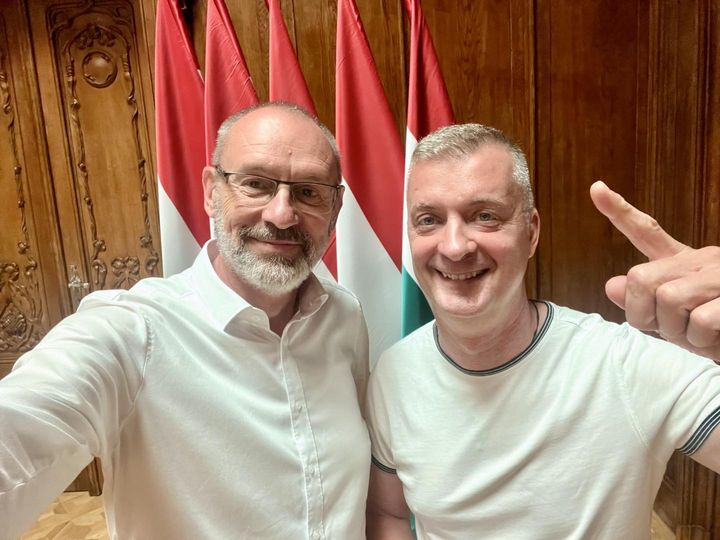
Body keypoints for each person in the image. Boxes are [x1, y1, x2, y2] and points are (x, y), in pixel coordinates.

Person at [0, 103, 370, 539]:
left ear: (336, 207)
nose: (281, 214)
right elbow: (20, 428)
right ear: (212, 191)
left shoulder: (343, 316)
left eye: (308, 192)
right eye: (256, 184)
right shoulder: (133, 333)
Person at [365, 123, 720, 539]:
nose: (455, 246)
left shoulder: (624, 362)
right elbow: (388, 513)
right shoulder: (393, 373)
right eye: (429, 220)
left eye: (485, 216)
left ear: (531, 232)